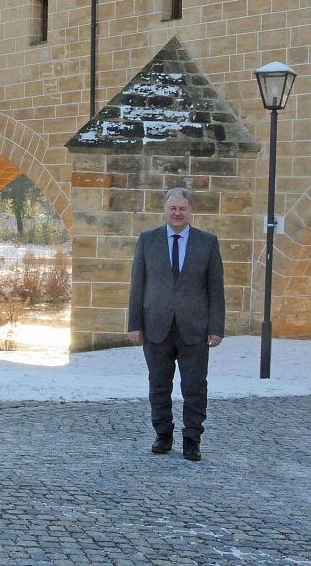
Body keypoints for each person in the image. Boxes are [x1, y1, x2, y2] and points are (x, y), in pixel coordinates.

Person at [128, 187, 224, 462]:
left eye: (182, 208)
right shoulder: (148, 241)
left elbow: (216, 289)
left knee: (195, 386)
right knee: (159, 385)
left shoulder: (207, 242)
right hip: (155, 326)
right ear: (165, 210)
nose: (178, 213)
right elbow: (137, 286)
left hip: (195, 328)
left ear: (190, 211)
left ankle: (192, 439)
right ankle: (163, 436)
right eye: (173, 208)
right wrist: (134, 324)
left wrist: (216, 327)